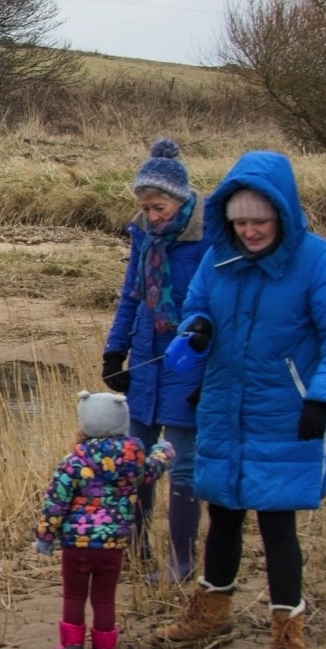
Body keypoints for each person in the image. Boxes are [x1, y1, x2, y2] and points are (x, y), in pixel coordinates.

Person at [156, 150, 326, 649]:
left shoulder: (317, 261)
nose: (250, 231)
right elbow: (197, 308)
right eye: (240, 222)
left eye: (260, 221)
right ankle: (210, 614)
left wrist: (322, 399)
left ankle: (287, 638)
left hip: (286, 413)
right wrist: (198, 330)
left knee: (277, 525)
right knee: (223, 513)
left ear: (281, 214)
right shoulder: (218, 258)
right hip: (224, 407)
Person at [102, 138, 208, 579]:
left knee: (182, 460)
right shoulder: (143, 236)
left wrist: (209, 368)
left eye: (158, 207)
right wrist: (115, 351)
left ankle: (181, 560)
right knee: (134, 457)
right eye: (145, 208)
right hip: (145, 357)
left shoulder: (208, 238)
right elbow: (131, 296)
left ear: (179, 200)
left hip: (189, 360)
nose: (152, 215)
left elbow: (217, 306)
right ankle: (136, 547)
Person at [34, 390, 171, 649]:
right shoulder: (132, 461)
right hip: (113, 544)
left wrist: (45, 537)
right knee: (104, 599)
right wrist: (163, 452)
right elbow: (151, 471)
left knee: (74, 595)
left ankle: (71, 648)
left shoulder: (73, 462)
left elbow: (55, 503)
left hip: (77, 544)